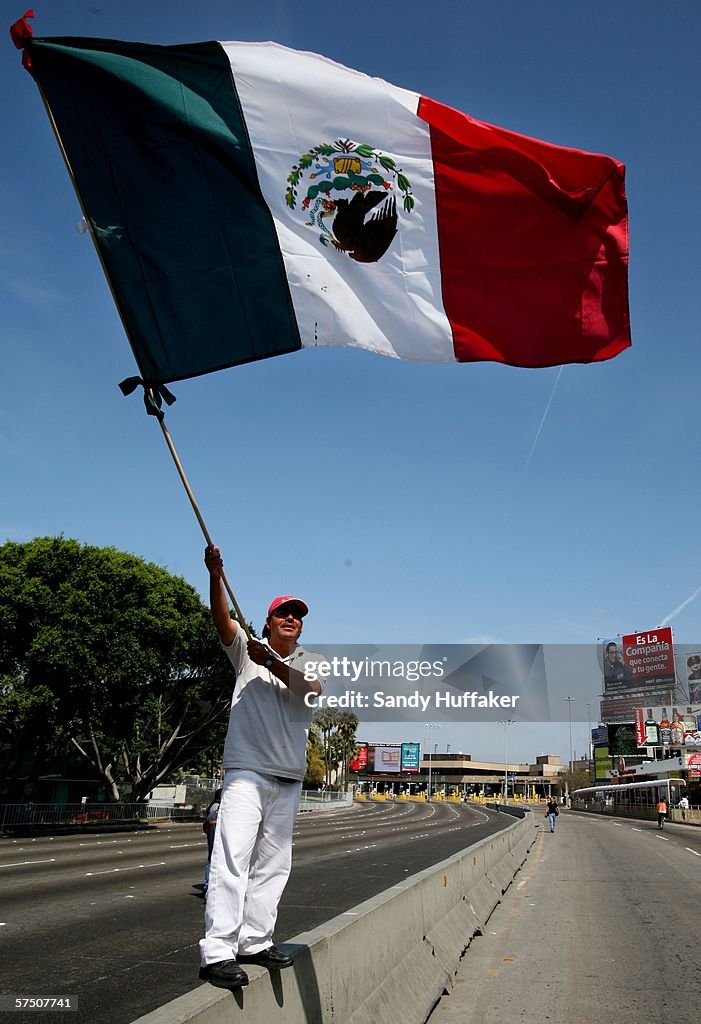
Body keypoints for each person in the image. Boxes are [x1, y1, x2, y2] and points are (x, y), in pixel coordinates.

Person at [198, 545, 323, 992]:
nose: (291, 619)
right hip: (247, 771)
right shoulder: (244, 651)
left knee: (274, 865)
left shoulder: (308, 660)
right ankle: (217, 950)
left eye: (297, 615)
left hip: (287, 778)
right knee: (232, 857)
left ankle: (255, 941)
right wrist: (215, 576)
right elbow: (221, 620)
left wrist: (271, 661)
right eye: (283, 614)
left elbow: (309, 690)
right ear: (268, 622)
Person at [201, 787, 222, 895]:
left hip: (212, 836)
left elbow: (205, 826)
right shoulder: (217, 810)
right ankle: (208, 885)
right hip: (215, 837)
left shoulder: (213, 808)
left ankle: (208, 884)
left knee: (212, 861)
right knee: (213, 861)